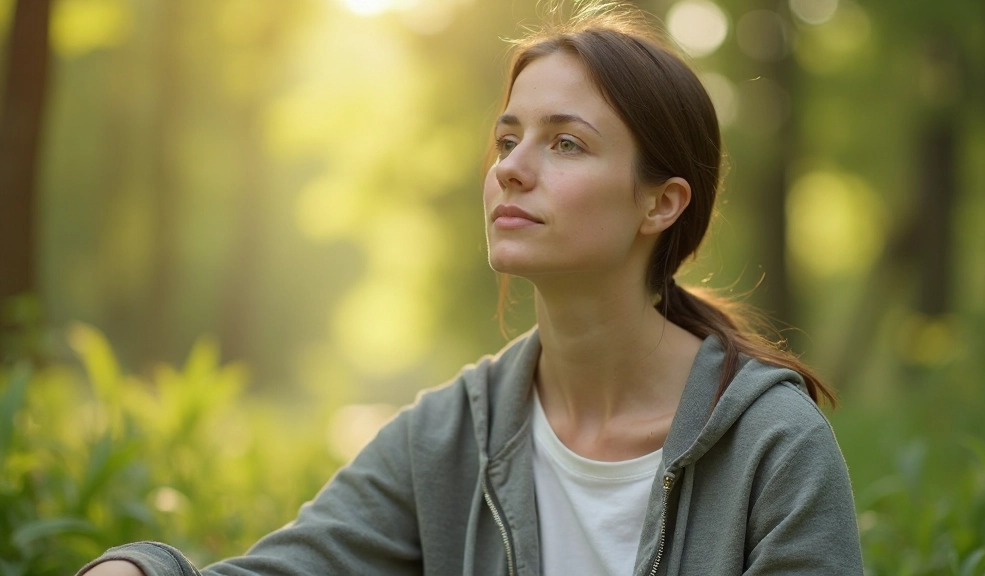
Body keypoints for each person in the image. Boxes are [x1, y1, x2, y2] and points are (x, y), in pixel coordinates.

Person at [78, 3, 863, 575]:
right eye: (506, 138)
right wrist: (139, 570)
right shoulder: (451, 436)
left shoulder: (772, 446)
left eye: (565, 142)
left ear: (661, 202)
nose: (512, 168)